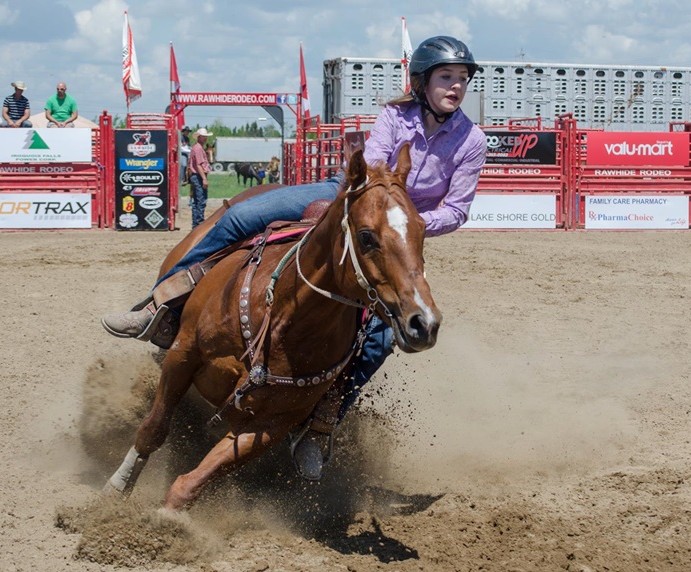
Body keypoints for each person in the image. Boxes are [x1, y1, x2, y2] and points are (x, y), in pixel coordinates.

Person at [101, 35, 487, 481]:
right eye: (446, 77)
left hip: (394, 241)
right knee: (242, 215)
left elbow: (457, 209)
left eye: (462, 79)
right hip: (348, 200)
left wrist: (405, 227)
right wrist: (379, 215)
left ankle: (321, 424)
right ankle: (161, 305)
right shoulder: (395, 117)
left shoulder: (471, 140)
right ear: (422, 82)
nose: (456, 87)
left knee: (381, 339)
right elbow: (371, 169)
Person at [186, 128, 212, 228]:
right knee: (201, 201)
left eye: (205, 136)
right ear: (199, 137)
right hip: (198, 176)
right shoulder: (198, 149)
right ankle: (199, 224)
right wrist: (204, 178)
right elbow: (199, 165)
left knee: (197, 201)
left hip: (196, 176)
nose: (205, 138)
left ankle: (196, 225)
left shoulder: (197, 148)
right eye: (203, 136)